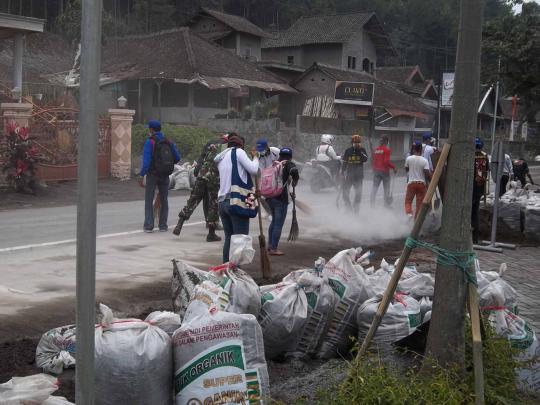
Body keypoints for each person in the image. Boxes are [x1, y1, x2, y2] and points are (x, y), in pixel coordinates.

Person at [172, 135, 228, 241]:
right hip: (213, 179)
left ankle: (179, 224)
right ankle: (211, 233)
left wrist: (197, 171)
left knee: (193, 200)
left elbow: (201, 158)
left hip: (202, 175)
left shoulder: (211, 144)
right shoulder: (228, 149)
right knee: (213, 205)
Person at [214, 133, 259, 263]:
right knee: (239, 240)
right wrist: (255, 158)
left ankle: (226, 271)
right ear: (240, 145)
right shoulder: (239, 152)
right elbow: (254, 170)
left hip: (222, 202)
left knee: (229, 238)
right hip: (236, 202)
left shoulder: (222, 157)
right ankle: (235, 273)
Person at [138, 120, 180, 233]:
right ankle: (163, 225)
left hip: (152, 174)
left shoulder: (150, 142)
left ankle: (149, 225)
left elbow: (146, 163)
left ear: (151, 130)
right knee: (164, 199)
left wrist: (141, 175)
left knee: (149, 199)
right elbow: (177, 158)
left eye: (149, 129)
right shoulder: (168, 142)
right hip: (165, 175)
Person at [266, 147, 299, 256]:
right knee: (278, 224)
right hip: (280, 199)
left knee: (274, 221)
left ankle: (270, 245)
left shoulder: (274, 163)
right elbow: (294, 171)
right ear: (290, 156)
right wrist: (295, 181)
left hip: (270, 197)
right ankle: (274, 249)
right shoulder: (288, 164)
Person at [341, 134, 369, 212]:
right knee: (345, 192)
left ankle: (356, 209)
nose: (356, 143)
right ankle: (348, 207)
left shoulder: (362, 150)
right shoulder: (348, 150)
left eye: (358, 142)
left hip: (359, 176)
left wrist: (359, 151)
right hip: (349, 176)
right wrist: (342, 173)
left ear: (360, 143)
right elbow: (345, 163)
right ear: (352, 142)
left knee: (358, 193)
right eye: (355, 142)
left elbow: (365, 159)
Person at [404, 141, 431, 219]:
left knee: (408, 201)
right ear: (421, 149)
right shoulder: (424, 160)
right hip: (421, 185)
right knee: (419, 205)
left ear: (414, 149)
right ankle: (416, 221)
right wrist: (431, 181)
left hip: (411, 184)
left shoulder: (409, 158)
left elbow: (406, 169)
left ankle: (409, 214)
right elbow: (427, 173)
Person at [370, 135, 397, 207]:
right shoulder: (386, 150)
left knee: (374, 188)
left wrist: (374, 169)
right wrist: (393, 167)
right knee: (386, 189)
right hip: (384, 172)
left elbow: (374, 161)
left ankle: (372, 205)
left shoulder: (376, 150)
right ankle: (386, 205)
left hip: (376, 171)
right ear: (386, 142)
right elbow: (386, 162)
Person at [472, 137, 489, 244]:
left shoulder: (470, 156)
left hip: (470, 187)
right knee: (475, 212)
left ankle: (469, 237)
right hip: (479, 188)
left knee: (469, 213)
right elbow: (487, 170)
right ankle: (475, 239)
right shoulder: (485, 156)